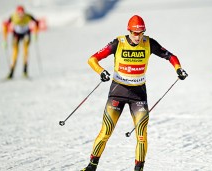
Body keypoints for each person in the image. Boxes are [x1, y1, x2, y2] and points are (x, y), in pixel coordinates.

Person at [81, 15, 188, 171]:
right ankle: (91, 166)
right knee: (106, 131)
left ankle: (139, 169)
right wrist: (101, 71)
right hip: (118, 92)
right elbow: (92, 59)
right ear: (129, 31)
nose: (138, 37)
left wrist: (178, 68)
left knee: (142, 134)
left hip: (138, 95)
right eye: (135, 33)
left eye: (141, 33)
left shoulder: (149, 43)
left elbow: (171, 56)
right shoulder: (118, 43)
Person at [2, 5, 39, 79]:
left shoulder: (28, 16)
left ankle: (25, 71)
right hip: (16, 35)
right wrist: (4, 40)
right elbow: (5, 26)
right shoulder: (13, 17)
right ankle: (11, 72)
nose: (21, 15)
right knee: (15, 53)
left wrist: (35, 34)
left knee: (25, 51)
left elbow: (36, 23)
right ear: (16, 13)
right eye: (19, 14)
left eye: (22, 13)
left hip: (26, 33)